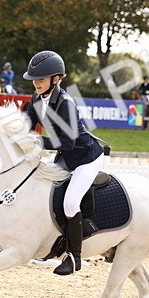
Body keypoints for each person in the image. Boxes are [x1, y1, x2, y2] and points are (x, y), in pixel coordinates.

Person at [23, 50, 104, 276]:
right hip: (65, 156)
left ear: (56, 79)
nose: (36, 83)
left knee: (70, 203)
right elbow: (27, 126)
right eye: (34, 79)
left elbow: (67, 143)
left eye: (41, 78)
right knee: (36, 184)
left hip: (85, 158)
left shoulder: (65, 103)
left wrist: (35, 141)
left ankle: (74, 257)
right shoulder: (36, 100)